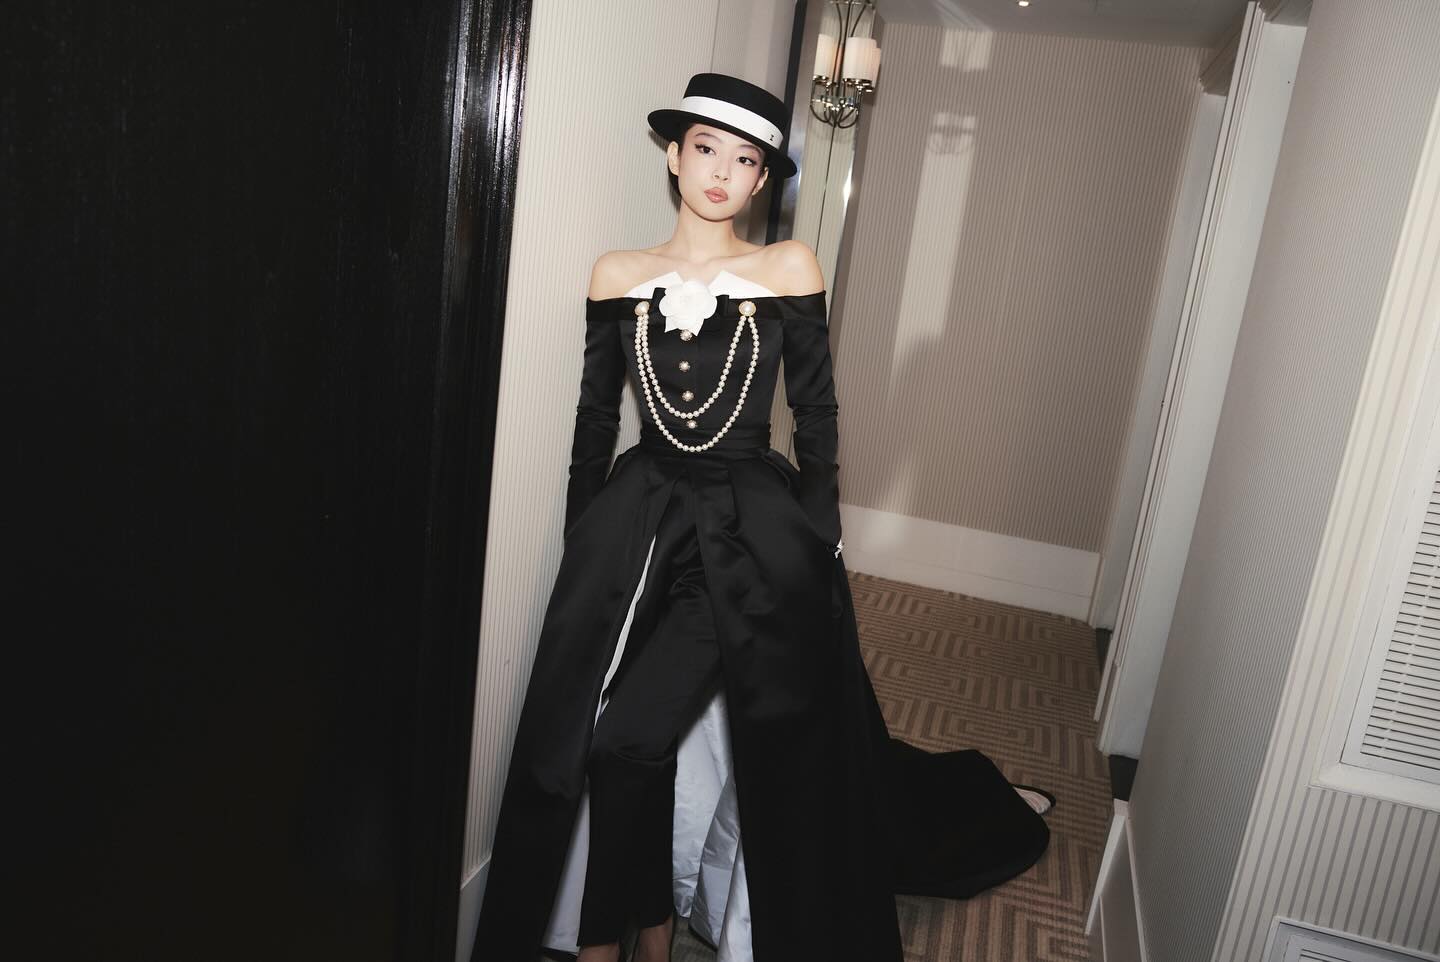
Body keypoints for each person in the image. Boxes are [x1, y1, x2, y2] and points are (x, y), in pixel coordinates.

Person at [470, 72, 1053, 962]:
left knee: (625, 741)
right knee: (613, 739)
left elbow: (816, 412)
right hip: (639, 521)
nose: (721, 173)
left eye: (745, 161)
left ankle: (610, 945)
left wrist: (818, 534)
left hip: (747, 535)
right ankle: (652, 929)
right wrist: (585, 538)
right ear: (674, 155)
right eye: (706, 149)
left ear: (760, 181)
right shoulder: (618, 273)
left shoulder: (787, 267)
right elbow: (594, 417)